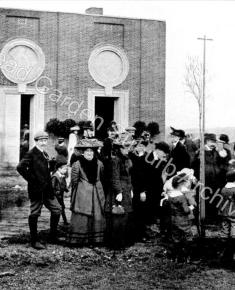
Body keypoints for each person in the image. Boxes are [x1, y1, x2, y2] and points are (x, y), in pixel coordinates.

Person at [16, 131, 61, 250]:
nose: (43, 142)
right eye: (41, 140)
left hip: (47, 190)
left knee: (57, 209)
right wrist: (33, 180)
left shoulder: (44, 153)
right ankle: (34, 240)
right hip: (36, 190)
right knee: (35, 213)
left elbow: (45, 170)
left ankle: (52, 236)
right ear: (36, 141)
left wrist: (51, 165)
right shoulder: (31, 153)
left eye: (45, 140)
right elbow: (20, 167)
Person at [67, 139, 106, 246]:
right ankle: (79, 240)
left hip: (97, 193)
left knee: (97, 215)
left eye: (91, 151)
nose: (89, 153)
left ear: (94, 152)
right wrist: (77, 193)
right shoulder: (77, 164)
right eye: (87, 151)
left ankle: (96, 240)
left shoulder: (99, 164)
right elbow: (74, 181)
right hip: (82, 194)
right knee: (82, 216)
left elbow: (102, 177)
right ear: (83, 152)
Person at [104, 138, 134, 250]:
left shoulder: (127, 159)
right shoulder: (115, 160)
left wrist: (131, 189)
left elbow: (129, 176)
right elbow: (114, 177)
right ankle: (115, 243)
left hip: (126, 189)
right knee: (117, 216)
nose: (127, 149)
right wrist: (119, 191)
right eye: (124, 147)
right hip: (119, 190)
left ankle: (123, 241)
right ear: (118, 149)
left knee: (125, 215)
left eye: (128, 147)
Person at [167, 173, 194, 262]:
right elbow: (186, 210)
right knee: (188, 236)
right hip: (183, 220)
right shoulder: (181, 197)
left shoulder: (170, 196)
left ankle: (175, 257)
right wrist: (191, 208)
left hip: (173, 219)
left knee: (176, 238)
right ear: (180, 184)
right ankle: (187, 257)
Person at [144, 142, 170, 229]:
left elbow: (163, 173)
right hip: (147, 188)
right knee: (147, 208)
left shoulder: (161, 159)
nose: (165, 155)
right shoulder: (146, 158)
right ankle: (147, 227)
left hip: (157, 187)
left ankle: (152, 226)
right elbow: (142, 176)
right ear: (158, 150)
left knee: (155, 207)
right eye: (164, 152)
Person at [218, 170, 235, 263]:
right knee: (234, 232)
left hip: (224, 213)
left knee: (224, 232)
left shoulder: (223, 189)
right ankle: (232, 253)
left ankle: (223, 253)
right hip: (233, 214)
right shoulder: (234, 190)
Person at [51, 157, 69, 225]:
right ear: (59, 169)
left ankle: (64, 221)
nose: (66, 171)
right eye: (64, 169)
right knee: (57, 209)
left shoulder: (62, 176)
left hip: (60, 195)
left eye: (66, 169)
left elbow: (63, 184)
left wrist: (65, 189)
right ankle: (55, 223)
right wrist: (55, 192)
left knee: (62, 207)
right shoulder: (55, 176)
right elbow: (52, 187)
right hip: (56, 196)